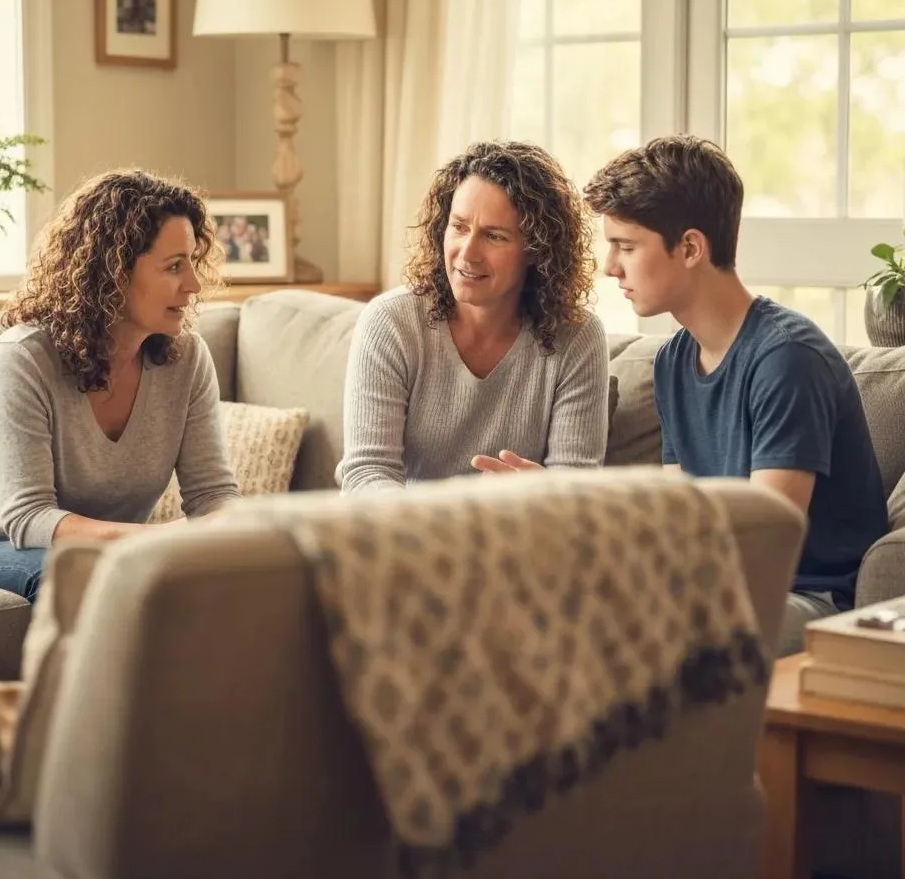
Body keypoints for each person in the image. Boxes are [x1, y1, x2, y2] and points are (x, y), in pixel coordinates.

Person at [584, 134, 889, 655]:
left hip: (810, 599)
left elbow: (765, 545)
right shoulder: (673, 361)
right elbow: (684, 522)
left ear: (690, 248)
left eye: (626, 246)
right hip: (724, 590)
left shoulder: (787, 358)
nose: (610, 266)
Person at [0, 169, 240, 602]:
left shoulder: (188, 359)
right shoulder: (21, 359)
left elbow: (213, 494)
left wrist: (229, 534)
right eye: (173, 266)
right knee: (84, 575)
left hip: (104, 557)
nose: (194, 285)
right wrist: (162, 540)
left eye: (192, 263)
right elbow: (29, 519)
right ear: (113, 271)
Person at [337, 140, 610, 492]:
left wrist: (541, 491)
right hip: (405, 524)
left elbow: (577, 490)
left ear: (536, 249)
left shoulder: (577, 337)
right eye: (459, 227)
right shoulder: (391, 321)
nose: (467, 253)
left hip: (519, 524)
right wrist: (444, 520)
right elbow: (366, 473)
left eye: (494, 236)